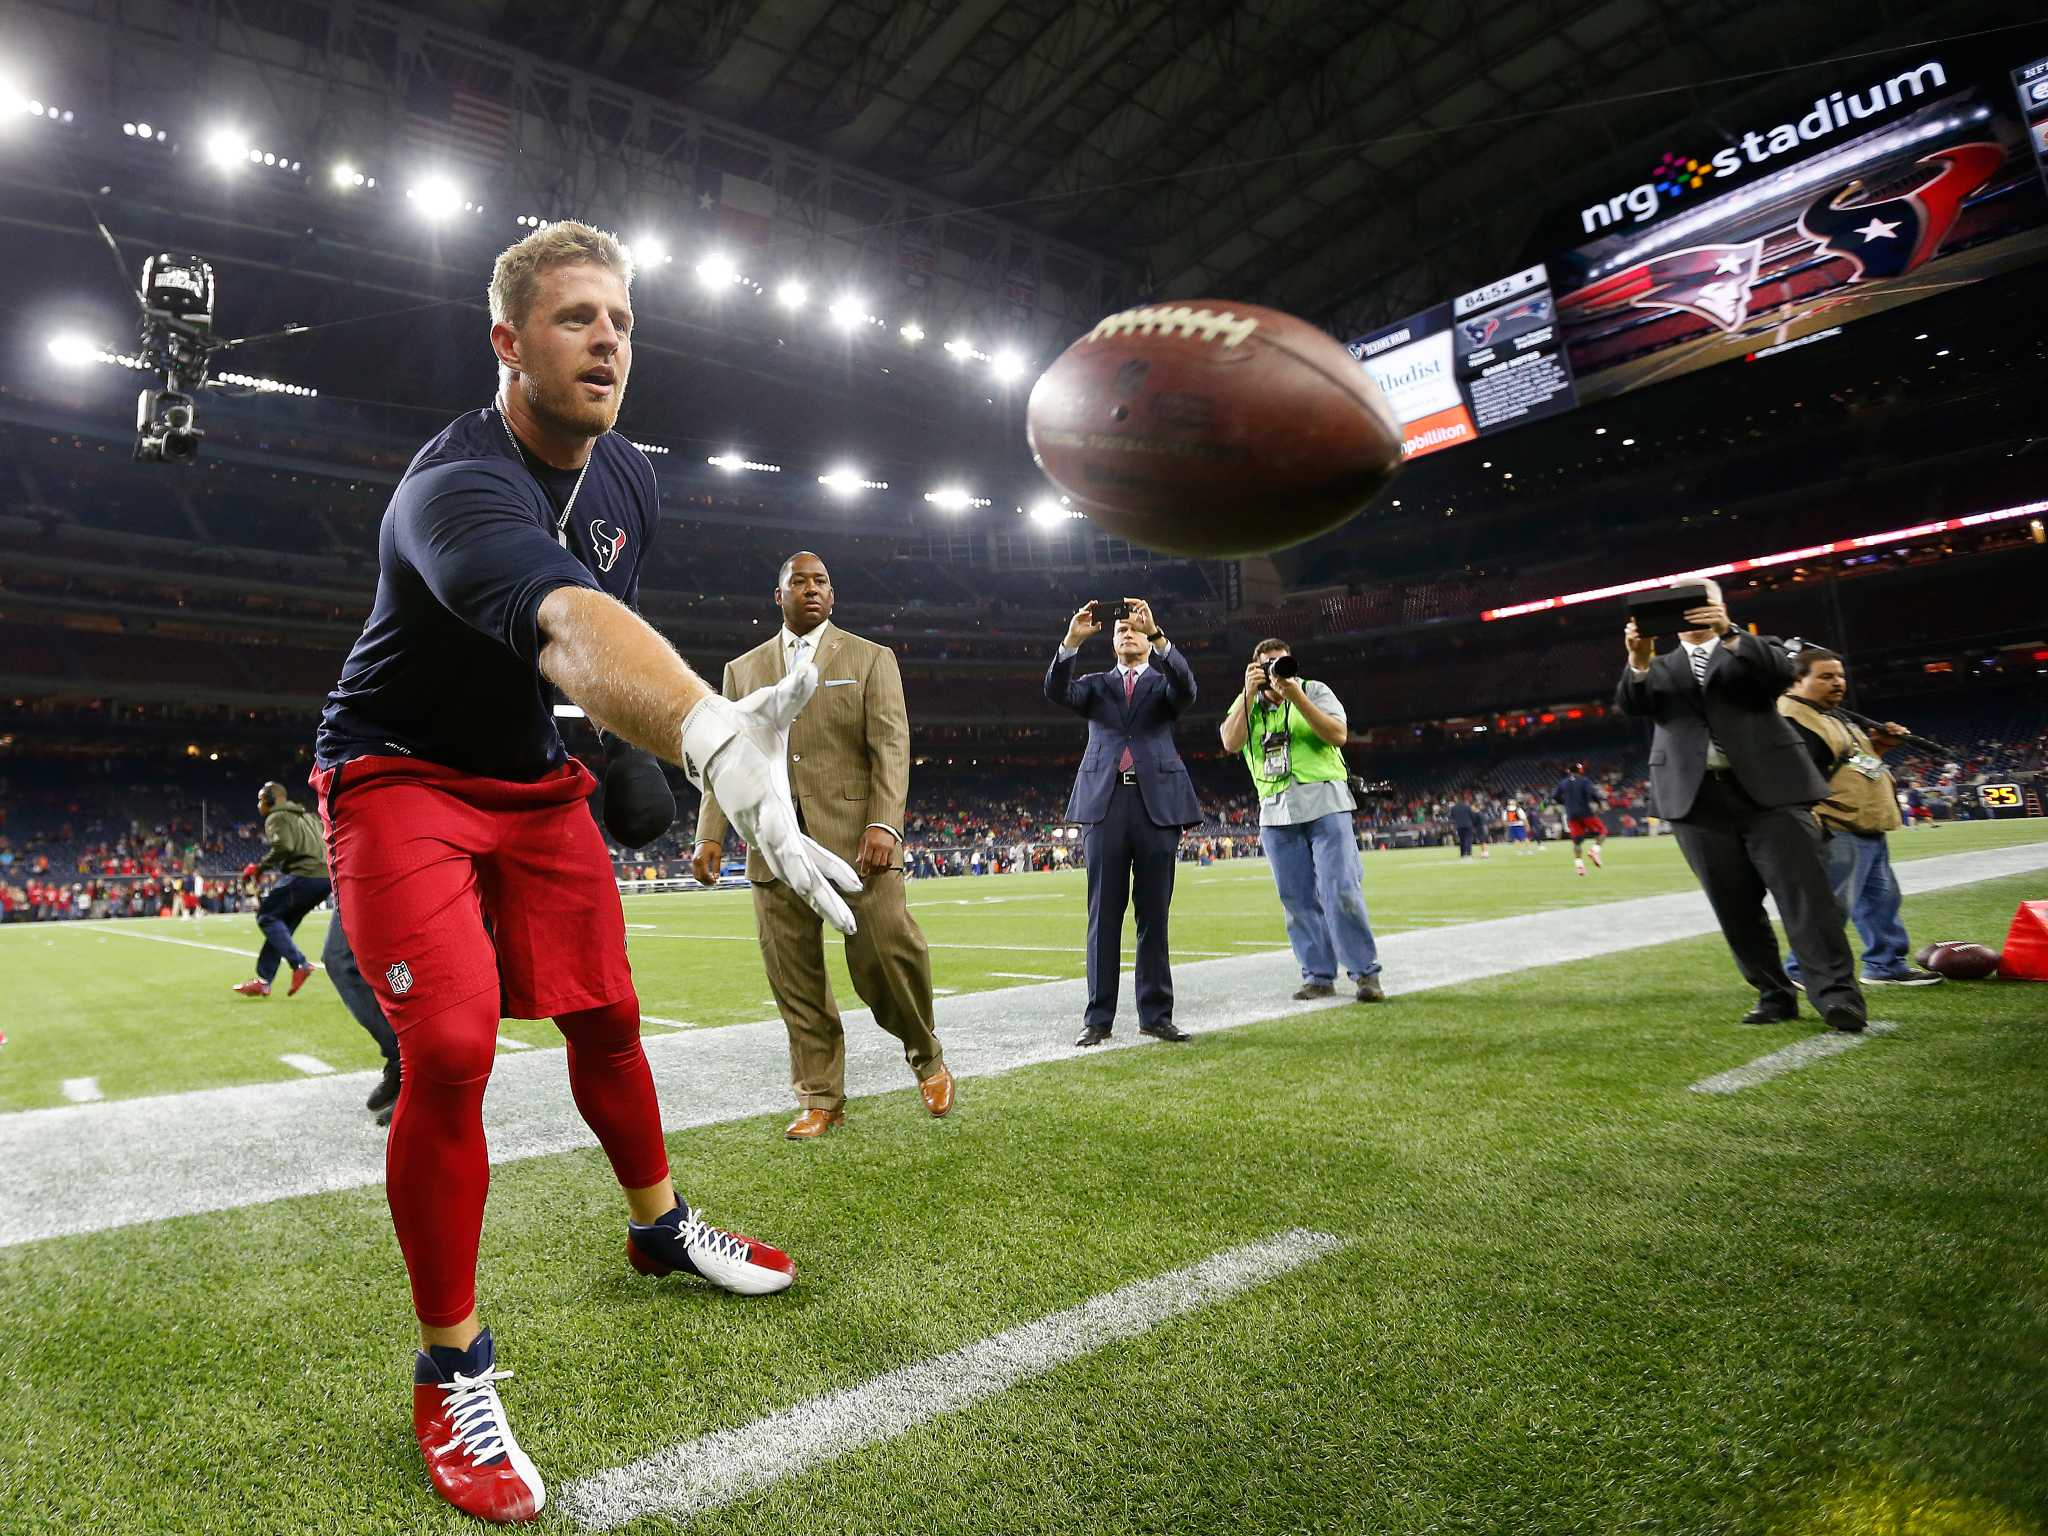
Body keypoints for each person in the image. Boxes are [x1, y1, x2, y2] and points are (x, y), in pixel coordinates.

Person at [311, 221, 860, 1523]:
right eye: (575, 318)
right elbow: (558, 618)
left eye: (620, 318)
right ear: (508, 343)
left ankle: (658, 1226)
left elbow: (576, 654)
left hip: (527, 774)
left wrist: (614, 749)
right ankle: (451, 1367)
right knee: (448, 1046)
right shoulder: (451, 487)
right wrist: (710, 738)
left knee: (607, 1012)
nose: (608, 337)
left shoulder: (632, 486)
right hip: (401, 774)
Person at [691, 551, 953, 1139]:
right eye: (798, 581)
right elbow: (724, 759)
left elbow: (891, 745)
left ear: (832, 596)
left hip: (859, 842)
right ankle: (820, 1097)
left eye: (822, 581)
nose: (812, 589)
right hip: (771, 842)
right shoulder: (742, 670)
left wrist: (885, 823)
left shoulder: (870, 658)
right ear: (776, 595)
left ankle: (926, 1056)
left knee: (888, 953)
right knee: (794, 976)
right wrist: (711, 833)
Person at [1616, 579, 1866, 1032]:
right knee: (1734, 907)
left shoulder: (1750, 647)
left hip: (1771, 792)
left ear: (1720, 606)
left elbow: (1779, 675)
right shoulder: (1660, 664)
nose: (1691, 616)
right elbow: (1632, 706)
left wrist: (1729, 631)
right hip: (1697, 799)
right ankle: (1774, 994)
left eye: (1702, 605)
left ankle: (1837, 997)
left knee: (1806, 900)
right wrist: (1638, 659)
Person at [1046, 598, 1200, 1046]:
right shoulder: (1094, 686)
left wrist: (1159, 635)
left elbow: (1187, 689)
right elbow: (1057, 692)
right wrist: (1071, 642)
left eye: (1135, 630)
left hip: (1156, 807)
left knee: (1154, 914)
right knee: (1103, 914)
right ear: (1112, 644)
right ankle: (1098, 1018)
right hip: (1106, 804)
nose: (1127, 634)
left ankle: (1155, 1014)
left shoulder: (1164, 682)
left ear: (1148, 640)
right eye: (1120, 631)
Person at [1219, 637, 1384, 1003]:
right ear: (1255, 669)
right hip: (1276, 810)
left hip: (1324, 800)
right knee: (1296, 899)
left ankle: (1365, 975)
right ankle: (1318, 975)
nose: (1275, 669)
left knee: (1340, 889)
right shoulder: (1247, 704)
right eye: (1267, 664)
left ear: (1292, 662)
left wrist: (1295, 696)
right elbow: (1230, 743)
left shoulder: (1314, 690)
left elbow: (1337, 734)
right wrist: (1248, 696)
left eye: (1281, 662)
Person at [1777, 648, 1943, 987]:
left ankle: (1885, 965)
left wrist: (1879, 746)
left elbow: (1848, 767)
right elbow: (1793, 781)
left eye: (1839, 676)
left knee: (1881, 901)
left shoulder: (1830, 715)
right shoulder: (1793, 719)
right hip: (1835, 827)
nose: (1837, 683)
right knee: (1830, 908)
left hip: (1864, 824)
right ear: (1796, 680)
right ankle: (1803, 969)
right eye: (1825, 676)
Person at [229, 781, 332, 999]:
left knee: (266, 916)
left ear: (270, 800)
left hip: (304, 874)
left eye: (260, 800)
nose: (259, 805)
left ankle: (300, 964)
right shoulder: (309, 817)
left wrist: (260, 867)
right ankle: (264, 981)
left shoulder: (276, 817)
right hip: (324, 879)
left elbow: (284, 846)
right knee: (280, 926)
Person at [321, 891, 406, 1124]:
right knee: (339, 960)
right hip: (354, 860)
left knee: (413, 954)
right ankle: (401, 1061)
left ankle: (424, 1079)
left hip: (415, 859)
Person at [1552, 762, 1607, 877]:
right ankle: (1594, 851)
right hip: (1585, 812)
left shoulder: (1564, 783)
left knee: (1577, 842)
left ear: (1569, 771)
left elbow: (1555, 798)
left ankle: (1579, 866)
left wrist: (1566, 803)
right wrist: (1599, 804)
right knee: (1602, 831)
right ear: (1580, 771)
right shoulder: (1584, 781)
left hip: (1571, 815)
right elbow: (1593, 794)